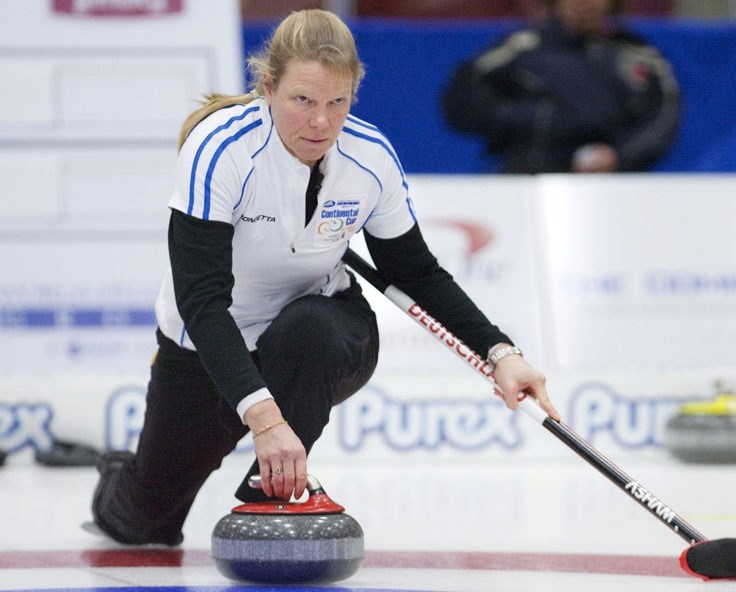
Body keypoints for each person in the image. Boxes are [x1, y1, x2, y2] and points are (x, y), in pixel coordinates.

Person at [88, 8, 560, 546]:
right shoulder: (220, 150)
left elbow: (417, 272)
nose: (321, 123)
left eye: (338, 102)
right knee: (143, 522)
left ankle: (275, 492)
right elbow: (202, 301)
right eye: (303, 101)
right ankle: (118, 482)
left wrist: (501, 351)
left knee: (309, 329)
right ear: (269, 87)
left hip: (319, 328)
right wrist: (264, 419)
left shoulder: (370, 158)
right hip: (210, 339)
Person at [441, 0, 681, 174]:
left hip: (607, 186)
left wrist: (619, 155)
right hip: (522, 178)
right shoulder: (523, 46)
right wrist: (524, 119)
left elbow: (663, 116)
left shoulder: (638, 55)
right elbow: (460, 96)